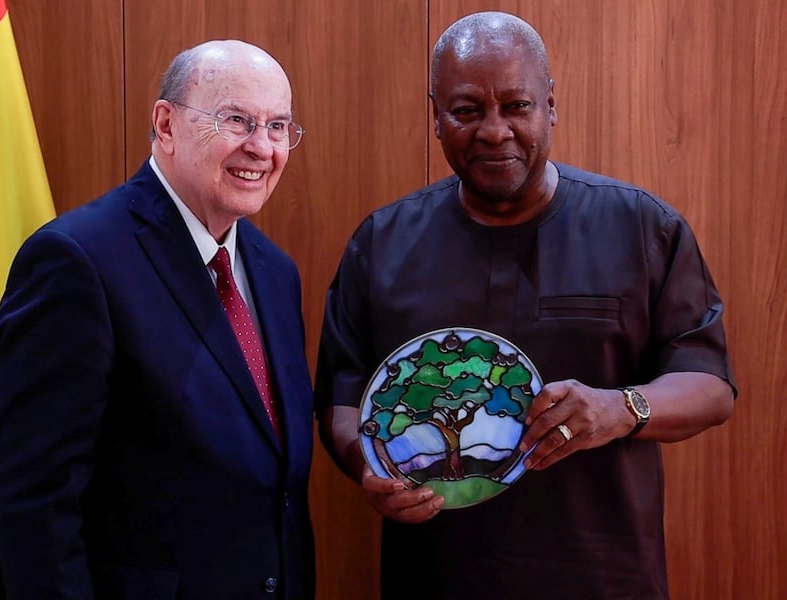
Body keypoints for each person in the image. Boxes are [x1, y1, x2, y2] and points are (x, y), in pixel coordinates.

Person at [314, 11, 736, 600]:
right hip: (435, 578)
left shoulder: (641, 227)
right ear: (435, 115)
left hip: (603, 577)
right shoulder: (381, 243)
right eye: (466, 110)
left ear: (550, 104)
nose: (494, 131)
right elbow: (341, 398)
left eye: (516, 106)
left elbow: (711, 384)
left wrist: (622, 407)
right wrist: (368, 466)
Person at [0, 40, 315, 599]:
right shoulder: (76, 260)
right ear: (166, 124)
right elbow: (36, 500)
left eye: (278, 126)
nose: (262, 147)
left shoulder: (274, 272)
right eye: (236, 119)